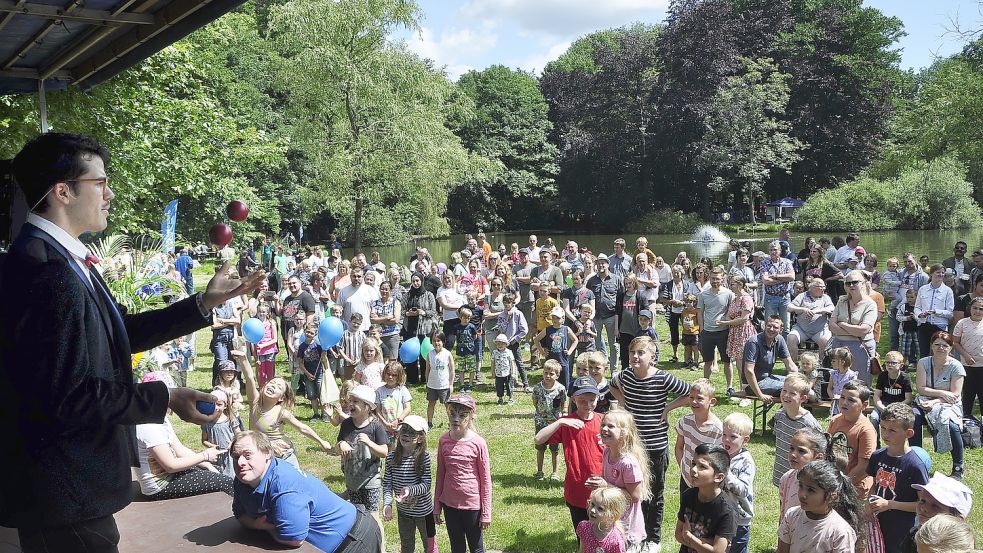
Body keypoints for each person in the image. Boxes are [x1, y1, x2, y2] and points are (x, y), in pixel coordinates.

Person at [1, 132, 264, 550]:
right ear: (62, 191)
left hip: (70, 492)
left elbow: (119, 332)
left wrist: (203, 303)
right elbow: (68, 396)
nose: (110, 193)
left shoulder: (61, 258)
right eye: (100, 182)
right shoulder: (45, 269)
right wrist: (164, 399)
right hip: (64, 492)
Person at [231, 431, 382, 552]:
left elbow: (293, 538)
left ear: (267, 453)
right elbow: (240, 514)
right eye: (236, 457)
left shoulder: (284, 484)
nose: (240, 463)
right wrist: (259, 525)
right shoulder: (242, 481)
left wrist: (265, 527)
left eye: (247, 455)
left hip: (354, 539)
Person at [609, 336, 692, 550]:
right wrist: (623, 402)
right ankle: (634, 536)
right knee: (633, 493)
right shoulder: (626, 375)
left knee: (654, 494)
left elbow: (690, 393)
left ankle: (653, 538)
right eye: (632, 353)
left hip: (655, 446)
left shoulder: (663, 378)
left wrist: (668, 408)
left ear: (652, 357)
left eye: (641, 353)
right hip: (631, 447)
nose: (635, 357)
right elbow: (612, 385)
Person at [134, 372, 234, 500]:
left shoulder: (160, 419)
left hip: (171, 476)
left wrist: (206, 464)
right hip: (160, 487)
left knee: (217, 470)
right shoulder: (149, 427)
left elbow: (180, 450)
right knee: (224, 482)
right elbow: (171, 466)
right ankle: (242, 515)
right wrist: (205, 456)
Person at [234, 350, 332, 468]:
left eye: (278, 387)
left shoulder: (281, 413)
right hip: (262, 454)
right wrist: (244, 359)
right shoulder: (254, 402)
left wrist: (321, 441)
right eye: (272, 383)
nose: (273, 386)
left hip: (284, 456)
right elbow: (249, 378)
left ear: (281, 398)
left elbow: (302, 428)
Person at [535, 376, 605, 530]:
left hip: (603, 490)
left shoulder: (604, 421)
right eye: (582, 401)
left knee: (603, 535)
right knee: (582, 535)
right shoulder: (568, 423)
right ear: (573, 399)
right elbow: (538, 439)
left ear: (598, 397)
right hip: (577, 492)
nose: (587, 405)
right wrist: (560, 421)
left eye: (592, 400)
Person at [866, 403, 930, 553]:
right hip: (878, 524)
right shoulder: (877, 456)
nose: (885, 434)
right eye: (883, 428)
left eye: (892, 430)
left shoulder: (915, 465)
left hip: (902, 529)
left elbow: (923, 505)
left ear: (909, 433)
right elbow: (875, 484)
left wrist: (890, 504)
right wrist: (869, 502)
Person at [434, 394, 492, 553]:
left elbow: (486, 480)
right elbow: (440, 474)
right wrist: (437, 506)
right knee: (457, 547)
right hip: (450, 505)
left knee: (476, 548)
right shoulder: (443, 441)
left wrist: (486, 513)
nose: (456, 419)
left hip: (472, 506)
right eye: (452, 413)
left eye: (462, 415)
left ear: (471, 416)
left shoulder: (478, 443)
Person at [335, 384, 389, 544]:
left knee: (373, 516)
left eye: (355, 401)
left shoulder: (376, 426)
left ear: (367, 406)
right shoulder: (346, 425)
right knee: (357, 515)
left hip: (370, 480)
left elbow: (384, 452)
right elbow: (338, 445)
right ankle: (362, 545)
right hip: (352, 480)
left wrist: (369, 443)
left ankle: (380, 547)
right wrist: (341, 445)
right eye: (350, 400)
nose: (350, 404)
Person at [589, 409, 651, 550]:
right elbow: (608, 482)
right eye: (603, 425)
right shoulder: (607, 452)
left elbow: (635, 496)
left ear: (624, 433)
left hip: (626, 526)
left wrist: (606, 485)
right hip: (610, 519)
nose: (604, 428)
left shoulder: (628, 463)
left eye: (610, 426)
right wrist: (599, 486)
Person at [911, 331, 966, 480]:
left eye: (945, 345)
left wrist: (936, 400)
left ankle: (958, 468)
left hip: (948, 404)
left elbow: (954, 395)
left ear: (950, 348)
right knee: (913, 417)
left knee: (951, 426)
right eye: (937, 345)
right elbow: (921, 388)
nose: (941, 348)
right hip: (924, 400)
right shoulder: (923, 362)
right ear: (931, 346)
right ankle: (915, 461)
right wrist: (942, 393)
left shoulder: (957, 366)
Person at [777, 460, 863, 553]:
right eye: (801, 486)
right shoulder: (792, 516)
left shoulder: (840, 531)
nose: (802, 494)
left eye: (811, 490)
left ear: (832, 496)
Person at [383, 415, 436, 553]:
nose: (406, 434)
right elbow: (387, 483)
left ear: (420, 438)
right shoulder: (391, 457)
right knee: (406, 546)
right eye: (404, 430)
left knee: (430, 545)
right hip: (403, 513)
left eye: (412, 432)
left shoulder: (423, 457)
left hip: (425, 513)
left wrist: (409, 490)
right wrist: (387, 504)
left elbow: (426, 484)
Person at [673, 444, 736, 553]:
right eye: (693, 463)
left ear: (719, 477)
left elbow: (717, 551)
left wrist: (689, 536)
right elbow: (678, 534)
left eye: (702, 466)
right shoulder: (689, 495)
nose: (693, 469)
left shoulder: (726, 510)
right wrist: (707, 543)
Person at [827, 380, 876, 497]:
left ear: (864, 405)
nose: (844, 402)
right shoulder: (835, 420)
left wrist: (842, 485)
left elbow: (864, 467)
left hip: (855, 489)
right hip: (833, 484)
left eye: (851, 400)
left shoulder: (866, 429)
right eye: (842, 397)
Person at [771, 373, 822, 486]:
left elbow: (819, 451)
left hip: (802, 474)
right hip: (781, 470)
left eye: (792, 393)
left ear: (803, 398)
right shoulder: (779, 415)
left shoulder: (809, 423)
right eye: (784, 391)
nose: (786, 395)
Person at [829, 270, 878, 384]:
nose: (851, 285)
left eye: (854, 282)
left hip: (860, 347)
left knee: (860, 384)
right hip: (838, 346)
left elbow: (863, 331)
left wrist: (842, 324)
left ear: (863, 283)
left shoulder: (870, 304)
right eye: (848, 283)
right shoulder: (841, 301)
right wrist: (853, 330)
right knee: (838, 382)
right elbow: (831, 326)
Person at [675, 379, 723, 492]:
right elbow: (679, 447)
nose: (694, 402)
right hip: (686, 478)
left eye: (699, 398)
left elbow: (719, 461)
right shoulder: (685, 422)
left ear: (712, 402)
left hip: (706, 483)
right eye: (691, 397)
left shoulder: (718, 430)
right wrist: (683, 468)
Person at [719, 413, 755, 553]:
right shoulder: (720, 453)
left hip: (739, 519)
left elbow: (743, 490)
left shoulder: (746, 462)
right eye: (724, 435)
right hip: (720, 513)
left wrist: (726, 471)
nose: (726, 439)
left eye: (733, 436)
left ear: (745, 439)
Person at [742, 316, 798, 402]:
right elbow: (748, 371)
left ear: (781, 329)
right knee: (792, 389)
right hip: (753, 384)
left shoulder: (779, 339)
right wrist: (760, 395)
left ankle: (793, 413)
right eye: (769, 326)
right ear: (764, 325)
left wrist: (798, 379)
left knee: (800, 386)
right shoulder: (753, 342)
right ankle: (786, 413)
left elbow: (790, 365)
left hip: (768, 378)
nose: (771, 329)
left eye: (775, 327)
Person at [778, 428, 831, 519]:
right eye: (792, 448)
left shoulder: (825, 484)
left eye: (801, 451)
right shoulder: (787, 478)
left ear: (818, 457)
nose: (793, 454)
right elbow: (783, 510)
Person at [721, 274, 756, 396]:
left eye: (732, 284)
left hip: (743, 332)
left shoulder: (746, 299)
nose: (730, 286)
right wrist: (728, 320)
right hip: (735, 332)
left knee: (743, 364)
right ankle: (744, 390)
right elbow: (729, 314)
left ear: (740, 285)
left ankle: (747, 392)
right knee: (738, 363)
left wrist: (727, 322)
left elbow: (744, 318)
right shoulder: (735, 298)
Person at [532, 360, 567, 480]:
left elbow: (564, 402)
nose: (547, 376)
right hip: (540, 421)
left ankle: (555, 472)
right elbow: (535, 402)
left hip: (554, 423)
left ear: (557, 375)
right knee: (540, 447)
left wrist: (563, 414)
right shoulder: (537, 388)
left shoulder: (561, 389)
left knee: (555, 449)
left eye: (551, 374)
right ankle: (539, 471)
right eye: (545, 373)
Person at [698, 268, 735, 380]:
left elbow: (732, 311)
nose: (715, 281)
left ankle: (729, 386)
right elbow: (700, 313)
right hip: (707, 332)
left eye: (717, 279)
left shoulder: (729, 294)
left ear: (722, 279)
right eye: (713, 279)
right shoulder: (703, 295)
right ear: (709, 278)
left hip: (723, 332)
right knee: (707, 362)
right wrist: (701, 329)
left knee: (727, 362)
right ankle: (706, 384)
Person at [869, 350, 914, 443]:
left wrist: (894, 408)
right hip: (884, 405)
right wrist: (882, 407)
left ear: (901, 365)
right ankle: (875, 444)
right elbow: (876, 395)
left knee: (900, 423)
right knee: (873, 417)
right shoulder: (882, 376)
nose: (890, 365)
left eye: (893, 363)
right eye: (887, 362)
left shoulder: (905, 378)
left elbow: (908, 399)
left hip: (900, 406)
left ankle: (900, 443)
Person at [589, 254, 624, 370]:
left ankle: (614, 369)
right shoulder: (591, 280)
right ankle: (600, 367)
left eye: (603, 263)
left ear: (608, 264)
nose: (601, 265)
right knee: (596, 344)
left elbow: (620, 298)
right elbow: (588, 297)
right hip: (596, 316)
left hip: (611, 316)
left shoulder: (616, 279)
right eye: (598, 263)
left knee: (613, 344)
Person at [914, 264, 954, 366]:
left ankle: (939, 371)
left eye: (942, 273)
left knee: (938, 352)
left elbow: (950, 313)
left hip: (939, 326)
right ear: (931, 274)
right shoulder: (922, 289)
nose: (940, 274)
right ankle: (924, 373)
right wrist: (919, 314)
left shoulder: (948, 291)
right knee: (923, 352)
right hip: (924, 324)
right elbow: (917, 307)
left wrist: (937, 311)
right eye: (938, 272)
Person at [786, 278, 834, 362]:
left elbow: (831, 308)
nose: (824, 289)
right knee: (791, 338)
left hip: (820, 329)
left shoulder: (825, 297)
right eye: (821, 287)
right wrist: (803, 309)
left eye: (824, 286)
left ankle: (821, 365)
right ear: (812, 287)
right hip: (801, 329)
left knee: (825, 340)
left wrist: (816, 311)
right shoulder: (803, 296)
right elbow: (789, 307)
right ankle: (794, 366)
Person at [952, 295, 983, 417]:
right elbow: (955, 342)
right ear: (970, 308)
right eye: (975, 308)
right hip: (967, 365)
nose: (977, 311)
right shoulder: (962, 323)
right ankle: (965, 422)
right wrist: (965, 355)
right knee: (968, 395)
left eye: (981, 309)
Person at [577, 486, 629, 553]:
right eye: (592, 504)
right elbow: (582, 550)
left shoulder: (615, 541)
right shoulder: (584, 527)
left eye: (600, 509)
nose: (592, 510)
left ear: (612, 515)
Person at [371, 280, 403, 360]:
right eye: (382, 289)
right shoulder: (374, 303)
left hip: (392, 335)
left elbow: (396, 320)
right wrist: (387, 317)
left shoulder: (396, 302)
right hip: (378, 336)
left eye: (386, 289)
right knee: (378, 360)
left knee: (392, 361)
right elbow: (372, 320)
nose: (384, 291)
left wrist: (379, 320)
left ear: (391, 290)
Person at [826, 347, 857, 416]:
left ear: (842, 362)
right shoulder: (833, 373)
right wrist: (833, 397)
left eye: (833, 361)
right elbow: (829, 388)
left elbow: (852, 392)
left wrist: (841, 398)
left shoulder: (852, 375)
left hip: (847, 403)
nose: (831, 363)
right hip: (835, 403)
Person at [491, 333, 518, 404]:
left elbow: (512, 363)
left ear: (506, 344)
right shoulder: (494, 352)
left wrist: (513, 372)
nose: (500, 345)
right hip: (498, 373)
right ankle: (500, 398)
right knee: (499, 387)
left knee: (509, 386)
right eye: (498, 343)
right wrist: (493, 372)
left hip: (507, 373)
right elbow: (493, 363)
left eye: (502, 343)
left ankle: (511, 398)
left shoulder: (509, 352)